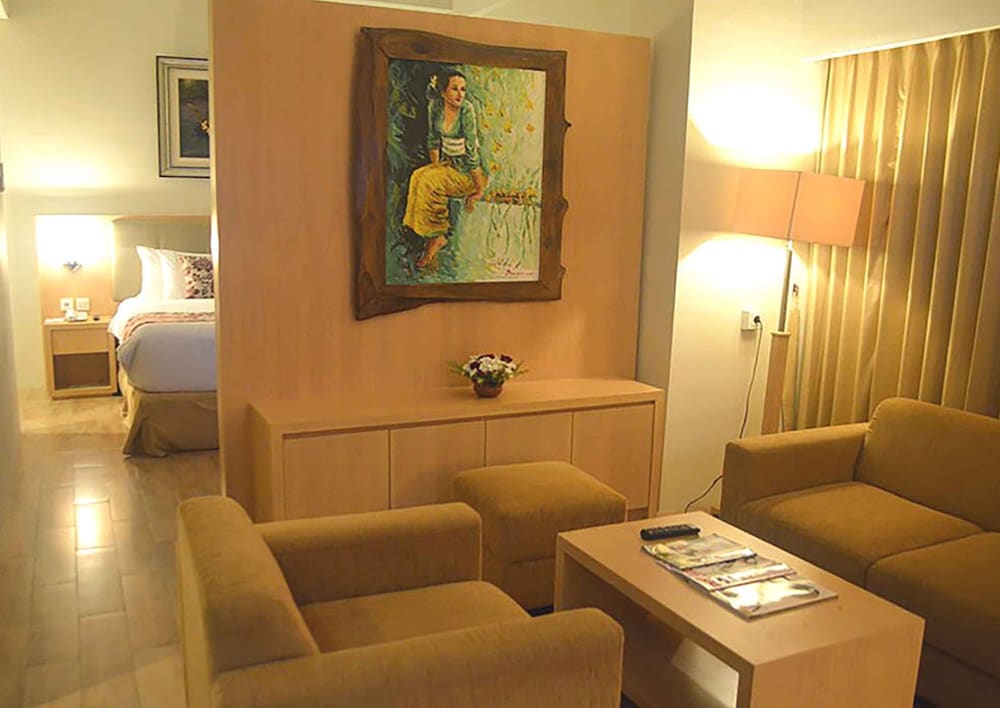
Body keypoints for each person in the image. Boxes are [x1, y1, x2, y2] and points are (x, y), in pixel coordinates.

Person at [403, 70, 488, 268]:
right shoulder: (435, 106)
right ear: (443, 92)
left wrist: (479, 188)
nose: (460, 94)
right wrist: (436, 167)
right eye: (454, 89)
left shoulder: (466, 111)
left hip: (468, 173)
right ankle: (428, 234)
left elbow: (472, 152)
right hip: (448, 165)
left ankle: (437, 239)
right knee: (418, 176)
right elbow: (433, 140)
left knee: (431, 181)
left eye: (463, 89)